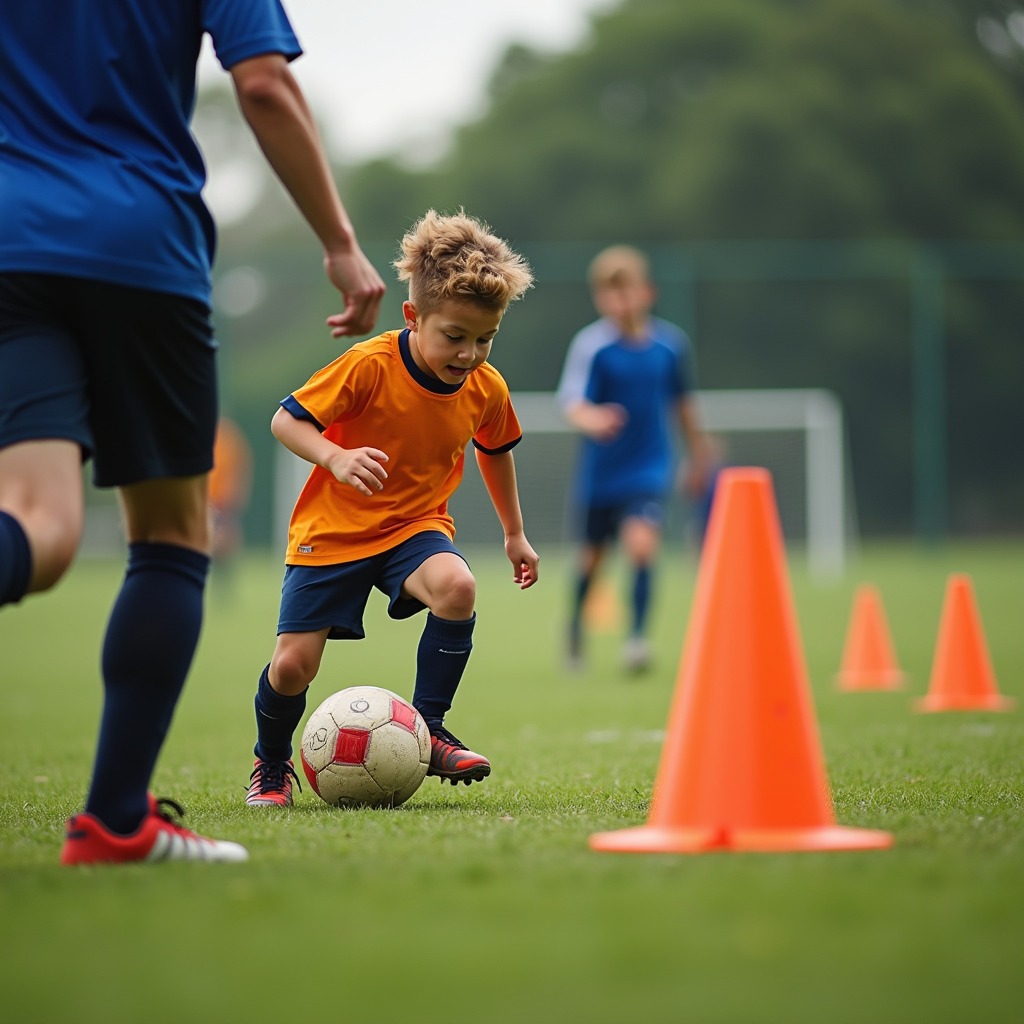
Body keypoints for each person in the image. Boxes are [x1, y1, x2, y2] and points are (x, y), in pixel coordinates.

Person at [0, 0, 385, 866]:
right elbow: (264, 86)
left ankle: (117, 821)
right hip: (139, 246)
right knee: (172, 536)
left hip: (10, 243)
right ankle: (113, 822)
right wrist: (340, 242)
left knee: (37, 523)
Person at [244, 209, 539, 808]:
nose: (469, 354)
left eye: (485, 339)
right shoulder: (370, 364)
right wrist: (334, 458)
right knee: (294, 667)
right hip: (332, 534)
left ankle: (427, 731)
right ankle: (271, 765)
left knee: (457, 585)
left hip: (414, 527)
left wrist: (515, 533)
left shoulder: (487, 387)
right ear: (413, 316)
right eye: (453, 337)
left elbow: (497, 450)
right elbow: (286, 421)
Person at [557, 245, 712, 674]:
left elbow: (683, 405)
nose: (619, 301)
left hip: (649, 467)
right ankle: (574, 630)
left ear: (648, 292)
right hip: (601, 473)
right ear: (599, 298)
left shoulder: (670, 346)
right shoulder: (593, 346)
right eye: (609, 293)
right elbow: (571, 401)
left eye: (626, 291)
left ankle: (637, 640)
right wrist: (594, 418)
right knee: (591, 559)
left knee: (642, 546)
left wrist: (699, 455)